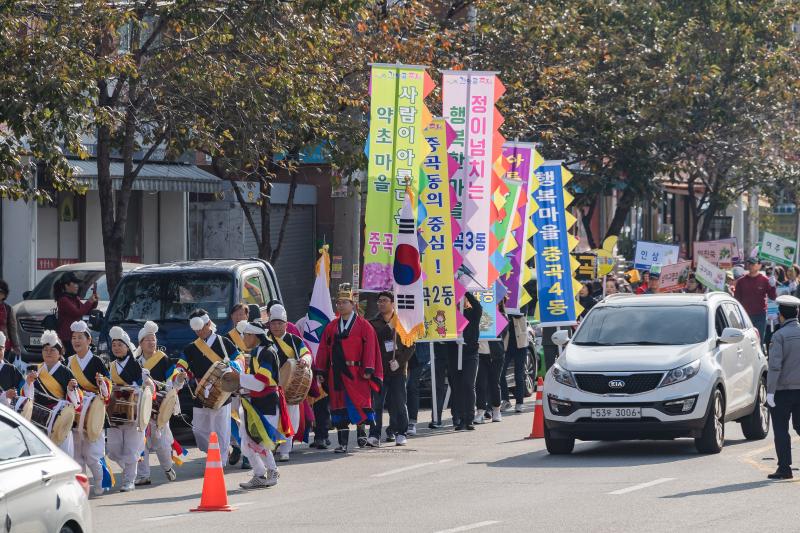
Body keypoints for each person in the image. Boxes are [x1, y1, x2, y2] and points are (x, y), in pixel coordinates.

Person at [314, 284, 382, 453]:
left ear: (353, 305)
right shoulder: (331, 327)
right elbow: (323, 349)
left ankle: (361, 432)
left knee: (358, 404)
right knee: (339, 407)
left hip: (357, 373)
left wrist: (368, 368)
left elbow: (371, 348)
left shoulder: (364, 326)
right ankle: (342, 443)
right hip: (336, 374)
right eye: (339, 302)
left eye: (345, 302)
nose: (341, 305)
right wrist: (321, 370)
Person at [172, 309, 240, 466]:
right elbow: (181, 366)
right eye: (196, 329)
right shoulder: (190, 348)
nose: (199, 331)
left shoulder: (223, 343)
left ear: (209, 324)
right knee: (199, 430)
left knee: (221, 428)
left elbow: (239, 357)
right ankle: (215, 452)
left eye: (201, 327)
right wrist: (181, 374)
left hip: (222, 391)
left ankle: (220, 462)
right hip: (201, 392)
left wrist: (234, 365)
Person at [236, 319, 290, 489]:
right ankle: (259, 474)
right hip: (256, 401)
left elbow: (262, 381)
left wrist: (238, 378)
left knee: (260, 440)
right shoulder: (256, 352)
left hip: (267, 401)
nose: (243, 338)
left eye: (245, 335)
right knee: (247, 440)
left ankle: (273, 471)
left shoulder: (267, 352)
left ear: (254, 335)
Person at [68, 320, 112, 496]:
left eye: (80, 337)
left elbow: (108, 387)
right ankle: (82, 488)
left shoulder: (97, 361)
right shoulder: (69, 361)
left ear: (89, 340)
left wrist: (102, 383)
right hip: (77, 412)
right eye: (73, 338)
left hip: (94, 411)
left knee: (93, 454)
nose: (76, 341)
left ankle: (102, 482)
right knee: (77, 455)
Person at [21, 330, 79, 457]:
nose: (48, 352)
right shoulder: (36, 370)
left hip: (60, 419)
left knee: (64, 456)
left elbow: (76, 401)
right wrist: (29, 383)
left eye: (52, 350)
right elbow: (27, 398)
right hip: (39, 419)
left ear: (60, 353)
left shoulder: (66, 372)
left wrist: (70, 389)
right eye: (45, 349)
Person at [266, 304, 313, 460]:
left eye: (280, 323)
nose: (277, 326)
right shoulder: (264, 340)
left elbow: (306, 353)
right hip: (270, 384)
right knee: (271, 417)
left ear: (286, 324)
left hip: (290, 384)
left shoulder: (294, 340)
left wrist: (305, 361)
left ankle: (285, 449)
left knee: (290, 418)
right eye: (273, 323)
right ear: (269, 324)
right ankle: (271, 446)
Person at [367, 291, 414, 447]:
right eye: (379, 301)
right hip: (380, 371)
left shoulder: (403, 322)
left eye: (385, 301)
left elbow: (410, 346)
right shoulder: (373, 322)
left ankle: (401, 432)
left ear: (393, 303)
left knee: (399, 403)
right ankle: (374, 434)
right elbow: (373, 341)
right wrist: (389, 327)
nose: (381, 303)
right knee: (377, 404)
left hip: (397, 371)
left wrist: (399, 362)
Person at [135, 321, 178, 486]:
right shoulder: (136, 362)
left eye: (153, 340)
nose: (152, 343)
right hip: (141, 407)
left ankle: (167, 467)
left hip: (158, 407)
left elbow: (171, 379)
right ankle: (143, 474)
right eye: (148, 340)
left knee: (161, 443)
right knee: (141, 441)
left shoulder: (163, 359)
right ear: (140, 343)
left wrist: (175, 381)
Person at [106, 326, 147, 492]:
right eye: (114, 345)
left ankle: (129, 480)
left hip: (133, 409)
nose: (116, 348)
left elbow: (144, 385)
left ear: (127, 347)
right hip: (115, 410)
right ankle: (129, 467)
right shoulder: (110, 366)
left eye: (119, 345)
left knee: (131, 446)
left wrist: (138, 386)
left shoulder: (136, 365)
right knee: (113, 450)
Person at [766, 295, 800, 480]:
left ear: (780, 315)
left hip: (782, 391)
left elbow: (775, 366)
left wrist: (770, 392)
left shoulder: (778, 336)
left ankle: (785, 468)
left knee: (781, 429)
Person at [448, 291, 482, 431]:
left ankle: (469, 418)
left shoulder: (472, 314)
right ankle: (460, 418)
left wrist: (465, 290)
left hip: (470, 354)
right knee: (457, 387)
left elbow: (478, 307)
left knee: (468, 384)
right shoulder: (450, 316)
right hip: (453, 354)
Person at [734, 257, 777, 340]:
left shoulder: (765, 280)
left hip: (760, 315)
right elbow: (737, 299)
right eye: (749, 263)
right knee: (745, 340)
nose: (750, 265)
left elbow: (773, 297)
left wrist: (773, 286)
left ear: (759, 265)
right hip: (744, 315)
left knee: (758, 340)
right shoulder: (741, 281)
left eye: (753, 264)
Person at [55, 272, 98, 353]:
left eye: (77, 283)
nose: (77, 286)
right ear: (66, 285)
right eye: (74, 283)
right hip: (67, 338)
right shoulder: (63, 300)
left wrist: (94, 301)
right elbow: (77, 313)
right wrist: (89, 301)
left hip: (75, 336)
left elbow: (85, 310)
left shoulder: (74, 298)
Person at [476, 313, 506, 424]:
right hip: (480, 354)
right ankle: (480, 412)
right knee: (480, 384)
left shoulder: (499, 315)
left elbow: (503, 332)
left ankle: (496, 410)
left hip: (496, 356)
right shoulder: (475, 312)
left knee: (494, 383)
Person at [501, 303, 528, 414]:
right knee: (500, 373)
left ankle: (519, 402)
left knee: (519, 374)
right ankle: (506, 400)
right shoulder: (500, 301)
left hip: (520, 343)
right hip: (505, 344)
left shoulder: (521, 298)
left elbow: (520, 314)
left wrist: (509, 307)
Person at [406, 342, 427, 436]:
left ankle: (412, 421)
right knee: (400, 389)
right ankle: (398, 423)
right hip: (401, 352)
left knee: (412, 387)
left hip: (418, 354)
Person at [0, 280, 21, 363]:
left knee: (4, 367)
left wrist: (16, 346)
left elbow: (12, 328)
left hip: (5, 344)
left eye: (1, 292)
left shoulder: (8, 308)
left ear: (4, 295)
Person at [0, 332, 23, 406]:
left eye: (0, 349)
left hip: (7, 413)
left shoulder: (11, 369)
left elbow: (22, 388)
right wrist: (4, 395)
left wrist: (29, 382)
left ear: (4, 349)